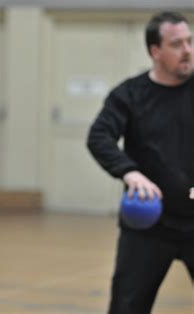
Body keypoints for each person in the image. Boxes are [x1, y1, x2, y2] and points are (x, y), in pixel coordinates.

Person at [87, 11, 194, 314]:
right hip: (149, 225)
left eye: (189, 41)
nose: (187, 50)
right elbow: (99, 137)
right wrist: (130, 173)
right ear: (155, 51)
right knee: (126, 307)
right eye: (176, 44)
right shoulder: (129, 95)